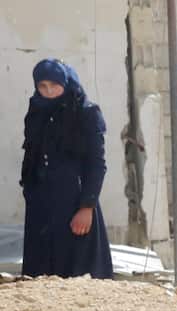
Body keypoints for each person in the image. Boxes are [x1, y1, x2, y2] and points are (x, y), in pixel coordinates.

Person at [20, 58, 112, 279]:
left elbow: (96, 163)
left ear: (66, 82)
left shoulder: (85, 112)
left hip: (74, 203)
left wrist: (86, 207)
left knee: (78, 273)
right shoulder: (37, 111)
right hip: (42, 207)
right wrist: (30, 191)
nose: (49, 91)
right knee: (40, 274)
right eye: (42, 86)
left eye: (54, 85)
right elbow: (31, 153)